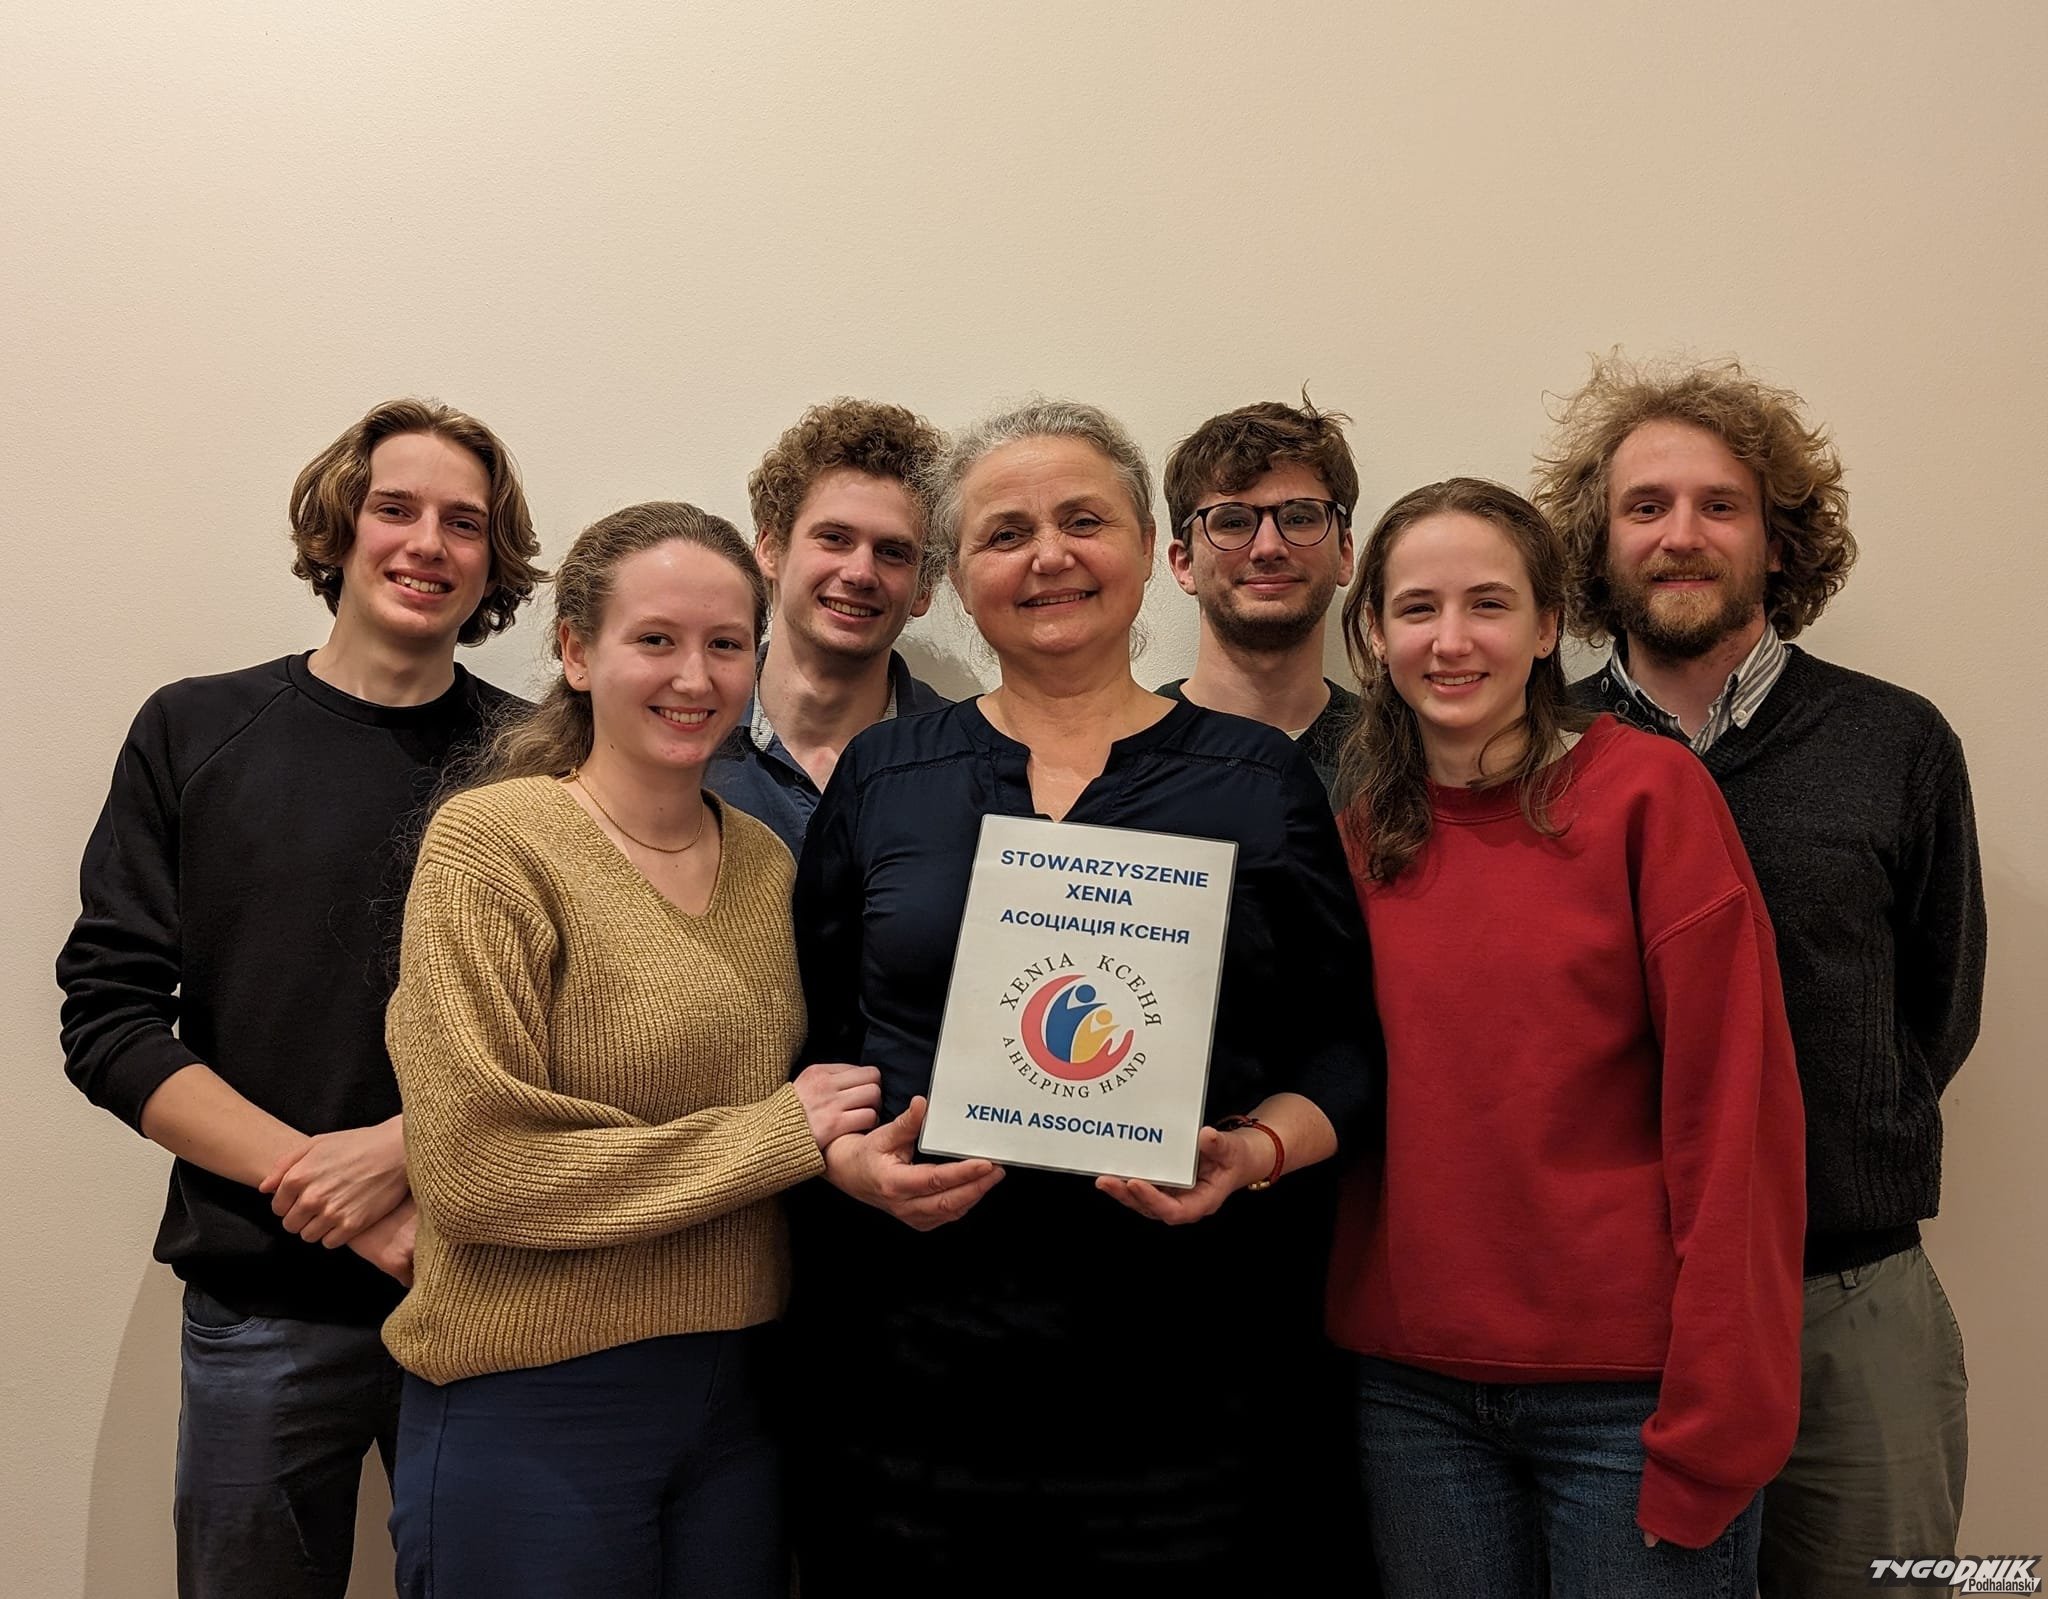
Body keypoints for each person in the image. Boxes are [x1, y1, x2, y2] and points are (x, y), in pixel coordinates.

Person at [784, 400, 1383, 1591]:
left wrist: (1253, 1153)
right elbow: (813, 1038)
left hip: (1190, 1376)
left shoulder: (1254, 779)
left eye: (1082, 521)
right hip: (917, 1377)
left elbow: (1344, 1051)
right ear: (956, 581)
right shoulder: (885, 775)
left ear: (1147, 550)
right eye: (1005, 534)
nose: (1048, 555)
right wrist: (847, 1162)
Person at [55, 398, 542, 1599]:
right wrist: (328, 1191)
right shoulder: (195, 730)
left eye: (463, 522)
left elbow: (585, 1025)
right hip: (260, 1306)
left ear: (493, 560)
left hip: (486, 1288)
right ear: (337, 527)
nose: (426, 543)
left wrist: (403, 1151)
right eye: (395, 508)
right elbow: (110, 1018)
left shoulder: (540, 761)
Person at [1534, 356, 1986, 1597]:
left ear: (1776, 541)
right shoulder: (1532, 747)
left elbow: (1933, 1010)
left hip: (1846, 1298)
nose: (1679, 535)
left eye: (1718, 505)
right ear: (1597, 544)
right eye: (1644, 506)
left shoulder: (1896, 741)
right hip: (1614, 1321)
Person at [382, 501, 882, 1598]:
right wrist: (779, 1134)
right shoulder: (495, 845)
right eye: (655, 639)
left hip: (742, 1399)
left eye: (726, 644)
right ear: (575, 651)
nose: (694, 677)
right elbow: (476, 1170)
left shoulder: (766, 863)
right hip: (534, 1401)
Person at [1325, 477, 1807, 1595]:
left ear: (1548, 626)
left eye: (1488, 604)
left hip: (1628, 1400)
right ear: (1375, 634)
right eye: (1417, 609)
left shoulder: (1649, 797)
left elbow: (1733, 1111)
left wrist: (1718, 1408)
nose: (1451, 641)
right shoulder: (1354, 841)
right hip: (1410, 1397)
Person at [705, 397, 950, 852]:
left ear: (924, 589)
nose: (860, 573)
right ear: (770, 549)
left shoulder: (967, 762)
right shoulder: (685, 731)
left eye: (892, 552)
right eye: (834, 538)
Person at [1157, 396, 1360, 800]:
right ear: (1184, 564)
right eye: (1233, 521)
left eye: (1299, 517)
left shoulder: (1404, 757)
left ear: (1344, 553)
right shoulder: (1118, 753)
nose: (1269, 547)